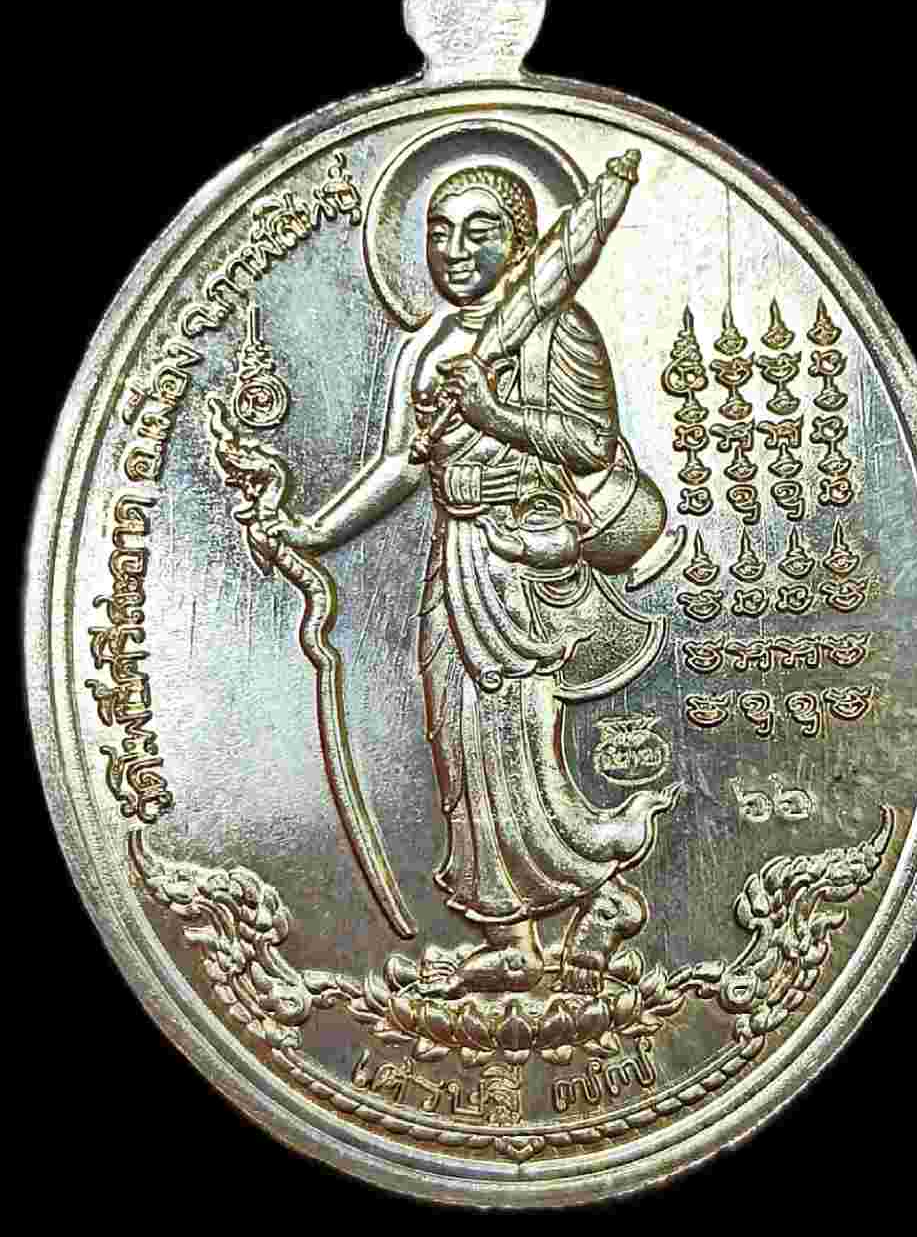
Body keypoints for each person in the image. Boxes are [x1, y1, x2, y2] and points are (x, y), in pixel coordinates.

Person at [258, 164, 676, 997]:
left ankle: (594, 891)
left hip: (524, 562)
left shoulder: (558, 330)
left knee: (512, 738)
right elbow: (400, 466)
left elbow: (592, 445)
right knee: (455, 743)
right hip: (455, 561)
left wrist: (495, 413)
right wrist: (318, 531)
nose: (454, 249)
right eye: (439, 231)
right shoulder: (424, 346)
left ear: (520, 245)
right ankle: (514, 938)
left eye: (480, 231)